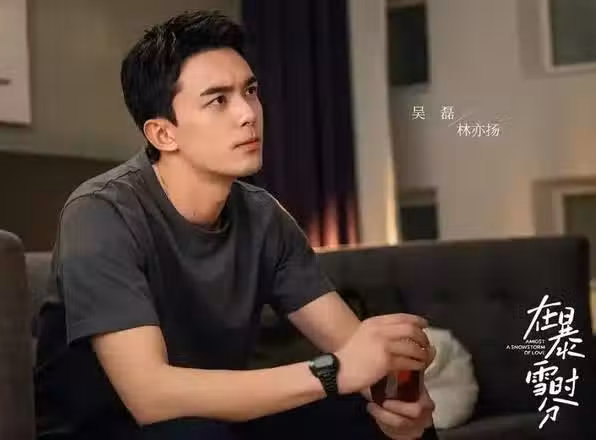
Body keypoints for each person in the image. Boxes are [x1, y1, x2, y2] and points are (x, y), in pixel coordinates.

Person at [34, 10, 437, 440]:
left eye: (250, 91)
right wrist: (333, 371)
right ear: (163, 134)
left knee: (378, 421)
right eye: (218, 100)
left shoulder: (265, 218)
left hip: (214, 420)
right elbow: (149, 395)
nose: (248, 113)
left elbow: (353, 350)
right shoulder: (100, 213)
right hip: (108, 429)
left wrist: (398, 395)